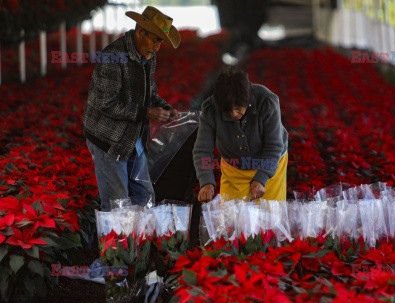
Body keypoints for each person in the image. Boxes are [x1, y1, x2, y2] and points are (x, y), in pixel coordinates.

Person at [83, 6, 181, 211]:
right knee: (117, 205)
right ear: (140, 32)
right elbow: (107, 104)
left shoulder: (148, 55)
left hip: (132, 138)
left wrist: (165, 108)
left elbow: (150, 93)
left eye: (160, 42)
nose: (157, 48)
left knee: (145, 199)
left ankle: (138, 241)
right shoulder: (113, 57)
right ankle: (117, 242)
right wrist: (146, 113)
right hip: (109, 141)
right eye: (155, 40)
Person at [193, 67, 288, 202]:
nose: (233, 114)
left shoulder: (267, 101)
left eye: (238, 109)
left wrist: (261, 178)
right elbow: (202, 149)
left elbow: (273, 146)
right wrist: (206, 182)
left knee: (269, 216)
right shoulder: (211, 108)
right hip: (234, 165)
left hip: (269, 162)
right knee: (232, 217)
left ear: (247, 100)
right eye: (227, 111)